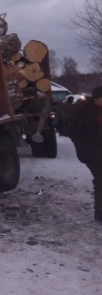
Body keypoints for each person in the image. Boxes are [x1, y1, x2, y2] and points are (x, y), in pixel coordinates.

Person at [67, 87, 102, 222]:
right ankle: (99, 214)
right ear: (96, 98)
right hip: (92, 153)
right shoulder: (84, 111)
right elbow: (73, 131)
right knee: (100, 181)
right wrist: (83, 146)